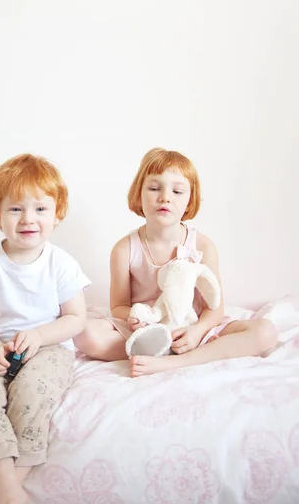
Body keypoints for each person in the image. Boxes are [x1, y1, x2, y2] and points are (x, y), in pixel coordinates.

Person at [0, 153, 90, 504]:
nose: (28, 218)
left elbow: (75, 318)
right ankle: (5, 481)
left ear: (57, 213)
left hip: (49, 348)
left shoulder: (61, 263)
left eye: (40, 208)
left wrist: (39, 335)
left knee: (32, 392)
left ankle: (10, 487)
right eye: (15, 208)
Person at [74, 147, 277, 377]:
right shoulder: (124, 249)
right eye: (154, 188)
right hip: (146, 331)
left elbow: (215, 307)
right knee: (85, 334)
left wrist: (197, 332)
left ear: (190, 200)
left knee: (266, 331)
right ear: (138, 194)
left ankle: (176, 361)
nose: (165, 197)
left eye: (177, 191)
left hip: (191, 328)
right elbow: (118, 306)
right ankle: (154, 349)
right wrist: (139, 320)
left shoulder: (202, 245)